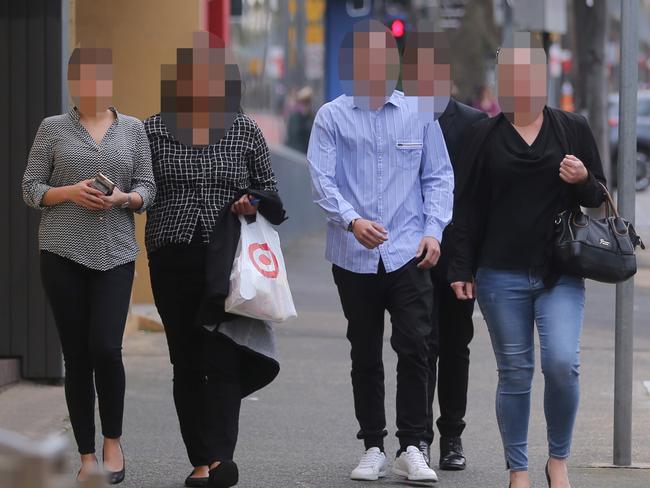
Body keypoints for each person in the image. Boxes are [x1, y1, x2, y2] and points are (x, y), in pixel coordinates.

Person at [449, 32, 606, 488]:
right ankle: (518, 470)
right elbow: (467, 206)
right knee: (514, 373)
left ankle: (558, 459)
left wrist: (581, 180)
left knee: (561, 363)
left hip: (559, 272)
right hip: (499, 275)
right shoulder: (483, 134)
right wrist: (460, 268)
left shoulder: (571, 127)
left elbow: (598, 196)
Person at [308, 20, 454, 483]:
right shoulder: (331, 116)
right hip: (353, 255)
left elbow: (438, 178)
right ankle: (372, 444)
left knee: (415, 346)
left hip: (409, 252)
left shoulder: (420, 113)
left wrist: (434, 230)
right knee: (364, 350)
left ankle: (413, 445)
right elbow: (321, 179)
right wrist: (351, 220)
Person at [145, 32, 282, 488]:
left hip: (228, 262)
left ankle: (221, 460)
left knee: (222, 357)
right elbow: (144, 191)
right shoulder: (154, 129)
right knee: (185, 360)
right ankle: (200, 461)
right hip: (172, 256)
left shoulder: (244, 129)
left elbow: (273, 196)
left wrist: (252, 201)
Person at [22, 46, 156, 484]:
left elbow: (148, 189)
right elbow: (31, 188)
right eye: (82, 76)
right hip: (61, 252)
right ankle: (85, 455)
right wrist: (70, 192)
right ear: (72, 80)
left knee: (105, 348)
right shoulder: (52, 128)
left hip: (116, 252)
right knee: (77, 356)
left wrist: (124, 198)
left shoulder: (133, 129)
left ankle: (113, 440)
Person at [401, 28, 488, 471]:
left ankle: (452, 435)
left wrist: (468, 263)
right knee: (417, 344)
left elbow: (476, 198)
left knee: (455, 346)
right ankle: (418, 438)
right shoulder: (395, 116)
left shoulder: (473, 125)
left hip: (456, 258)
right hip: (408, 254)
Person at [285, 86, 314, 153]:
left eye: (308, 102)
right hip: (297, 153)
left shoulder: (311, 117)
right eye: (304, 102)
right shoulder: (294, 118)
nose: (306, 105)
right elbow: (293, 138)